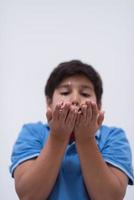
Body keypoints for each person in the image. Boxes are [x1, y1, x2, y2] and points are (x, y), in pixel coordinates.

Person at [10, 60, 134, 200]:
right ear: (49, 102)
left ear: (98, 105)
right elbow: (28, 195)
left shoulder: (114, 137)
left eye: (85, 94)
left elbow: (110, 197)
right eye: (65, 92)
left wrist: (86, 139)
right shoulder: (32, 132)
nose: (75, 99)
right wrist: (58, 137)